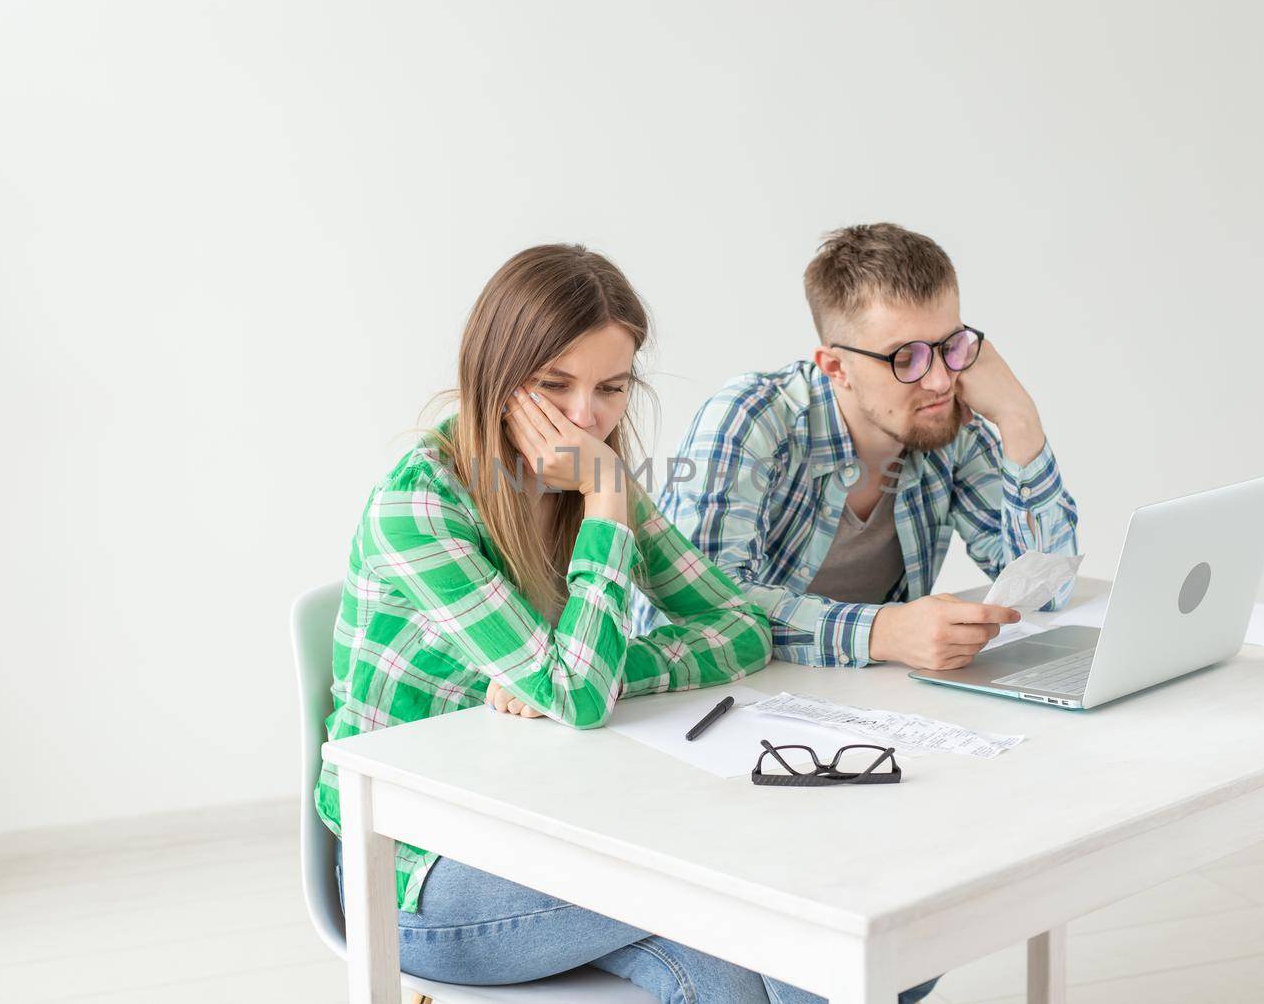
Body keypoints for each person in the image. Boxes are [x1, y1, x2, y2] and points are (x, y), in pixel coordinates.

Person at [316, 244, 937, 1003]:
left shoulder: (581, 469)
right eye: (554, 385)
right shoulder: (421, 506)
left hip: (547, 809)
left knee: (806, 961)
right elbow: (577, 694)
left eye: (610, 388)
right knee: (759, 911)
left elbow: (737, 627)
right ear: (493, 375)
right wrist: (607, 503)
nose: (586, 417)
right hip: (416, 871)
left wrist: (610, 668)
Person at [635, 223, 1079, 673]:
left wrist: (1019, 419)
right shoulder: (751, 417)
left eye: (950, 346)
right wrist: (883, 632)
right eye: (906, 358)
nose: (941, 379)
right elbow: (705, 611)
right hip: (708, 700)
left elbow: (1049, 593)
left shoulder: (947, 427)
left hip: (854, 704)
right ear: (836, 367)